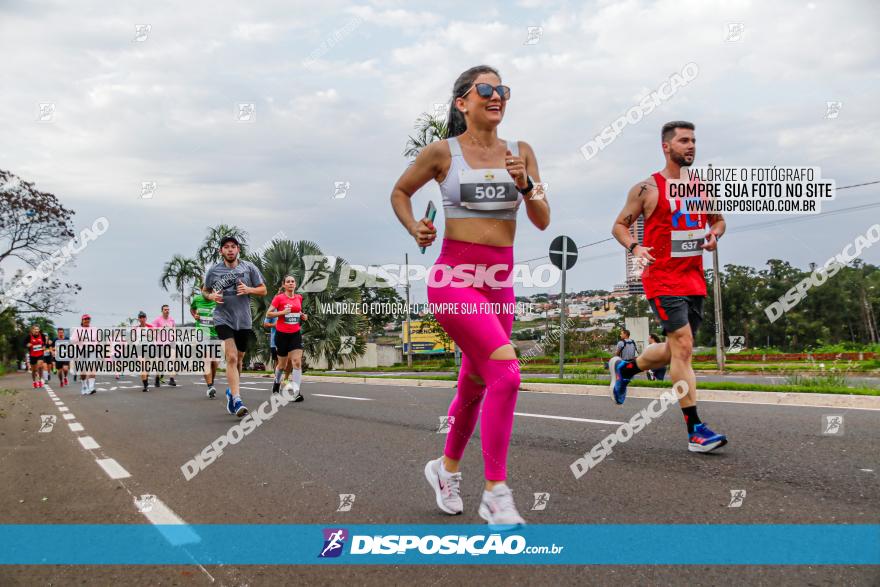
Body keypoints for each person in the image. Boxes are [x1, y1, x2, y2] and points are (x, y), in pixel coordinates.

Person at [391, 65, 550, 527]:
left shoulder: (522, 152)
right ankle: (496, 493)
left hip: (499, 286)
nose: (496, 95)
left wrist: (523, 183)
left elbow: (541, 217)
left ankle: (446, 471)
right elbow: (400, 192)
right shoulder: (443, 152)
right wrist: (413, 225)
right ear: (463, 102)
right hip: (453, 280)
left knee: (476, 384)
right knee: (508, 375)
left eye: (502, 89)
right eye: (486, 89)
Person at [609, 120, 727, 453]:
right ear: (666, 147)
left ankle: (625, 368)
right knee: (684, 346)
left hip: (693, 278)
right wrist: (635, 247)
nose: (691, 146)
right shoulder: (647, 188)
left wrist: (714, 233)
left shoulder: (701, 188)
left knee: (677, 350)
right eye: (684, 141)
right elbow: (619, 225)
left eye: (693, 140)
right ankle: (696, 430)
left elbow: (718, 219)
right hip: (661, 278)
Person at [202, 236, 267, 418]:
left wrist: (249, 290)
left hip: (244, 320)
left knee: (238, 360)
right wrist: (211, 297)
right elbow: (205, 290)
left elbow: (263, 289)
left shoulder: (248, 267)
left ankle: (231, 392)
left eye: (233, 247)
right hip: (223, 318)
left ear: (238, 249)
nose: (230, 250)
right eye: (226, 247)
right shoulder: (214, 270)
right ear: (221, 251)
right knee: (230, 357)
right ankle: (237, 399)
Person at [266, 275, 308, 401]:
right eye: (288, 282)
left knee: (296, 362)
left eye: (293, 281)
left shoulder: (299, 298)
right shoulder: (279, 298)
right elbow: (268, 313)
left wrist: (303, 316)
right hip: (282, 335)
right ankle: (276, 384)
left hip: (295, 334)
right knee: (282, 365)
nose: (291, 283)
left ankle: (296, 392)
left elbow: (298, 311)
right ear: (284, 285)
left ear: (295, 284)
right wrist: (282, 313)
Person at [190, 289, 220, 398]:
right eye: (206, 290)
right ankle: (210, 386)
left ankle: (211, 382)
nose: (208, 292)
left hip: (215, 333)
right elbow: (192, 309)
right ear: (202, 290)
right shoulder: (197, 299)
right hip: (202, 333)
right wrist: (195, 316)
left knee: (215, 362)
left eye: (210, 290)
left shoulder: (217, 298)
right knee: (207, 358)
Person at [152, 304, 177, 387]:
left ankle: (171, 379)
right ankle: (157, 378)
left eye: (168, 309)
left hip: (170, 342)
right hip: (160, 343)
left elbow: (174, 330)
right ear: (162, 311)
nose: (167, 311)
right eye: (165, 309)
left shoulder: (171, 320)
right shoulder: (157, 320)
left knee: (173, 359)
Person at [73, 314, 97, 394]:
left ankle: (91, 387)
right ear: (82, 321)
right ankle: (84, 386)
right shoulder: (77, 330)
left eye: (88, 319)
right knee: (83, 371)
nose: (87, 320)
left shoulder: (94, 329)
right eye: (85, 319)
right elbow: (73, 340)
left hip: (92, 351)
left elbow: (97, 340)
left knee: (92, 368)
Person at [135, 311, 154, 392]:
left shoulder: (150, 327)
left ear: (146, 318)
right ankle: (145, 386)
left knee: (148, 367)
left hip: (149, 347)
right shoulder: (136, 329)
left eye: (143, 317)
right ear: (138, 319)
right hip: (139, 348)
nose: (142, 319)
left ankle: (146, 377)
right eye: (140, 317)